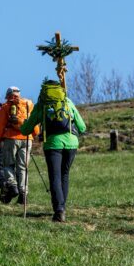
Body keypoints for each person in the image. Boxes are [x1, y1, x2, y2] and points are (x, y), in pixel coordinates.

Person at [21, 80, 86, 222]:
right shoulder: (67, 102)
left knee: (55, 176)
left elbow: (26, 129)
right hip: (71, 143)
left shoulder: (41, 105)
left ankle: (59, 210)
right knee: (64, 174)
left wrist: (25, 123)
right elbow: (82, 127)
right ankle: (62, 207)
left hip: (52, 144)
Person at [0, 86, 39, 204]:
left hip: (11, 139)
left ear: (8, 95)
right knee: (23, 168)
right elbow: (35, 122)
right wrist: (34, 134)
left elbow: (0, 127)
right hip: (27, 138)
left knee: (8, 165)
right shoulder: (28, 104)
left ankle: (12, 186)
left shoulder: (6, 107)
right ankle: (23, 194)